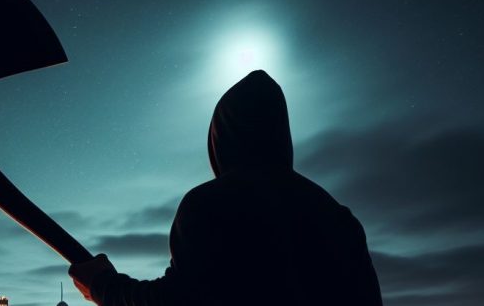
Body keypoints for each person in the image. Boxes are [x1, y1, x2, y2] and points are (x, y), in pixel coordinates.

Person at [68, 70, 383, 306]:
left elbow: (177, 302)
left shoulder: (210, 204)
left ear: (221, 139)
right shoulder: (337, 216)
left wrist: (103, 285)